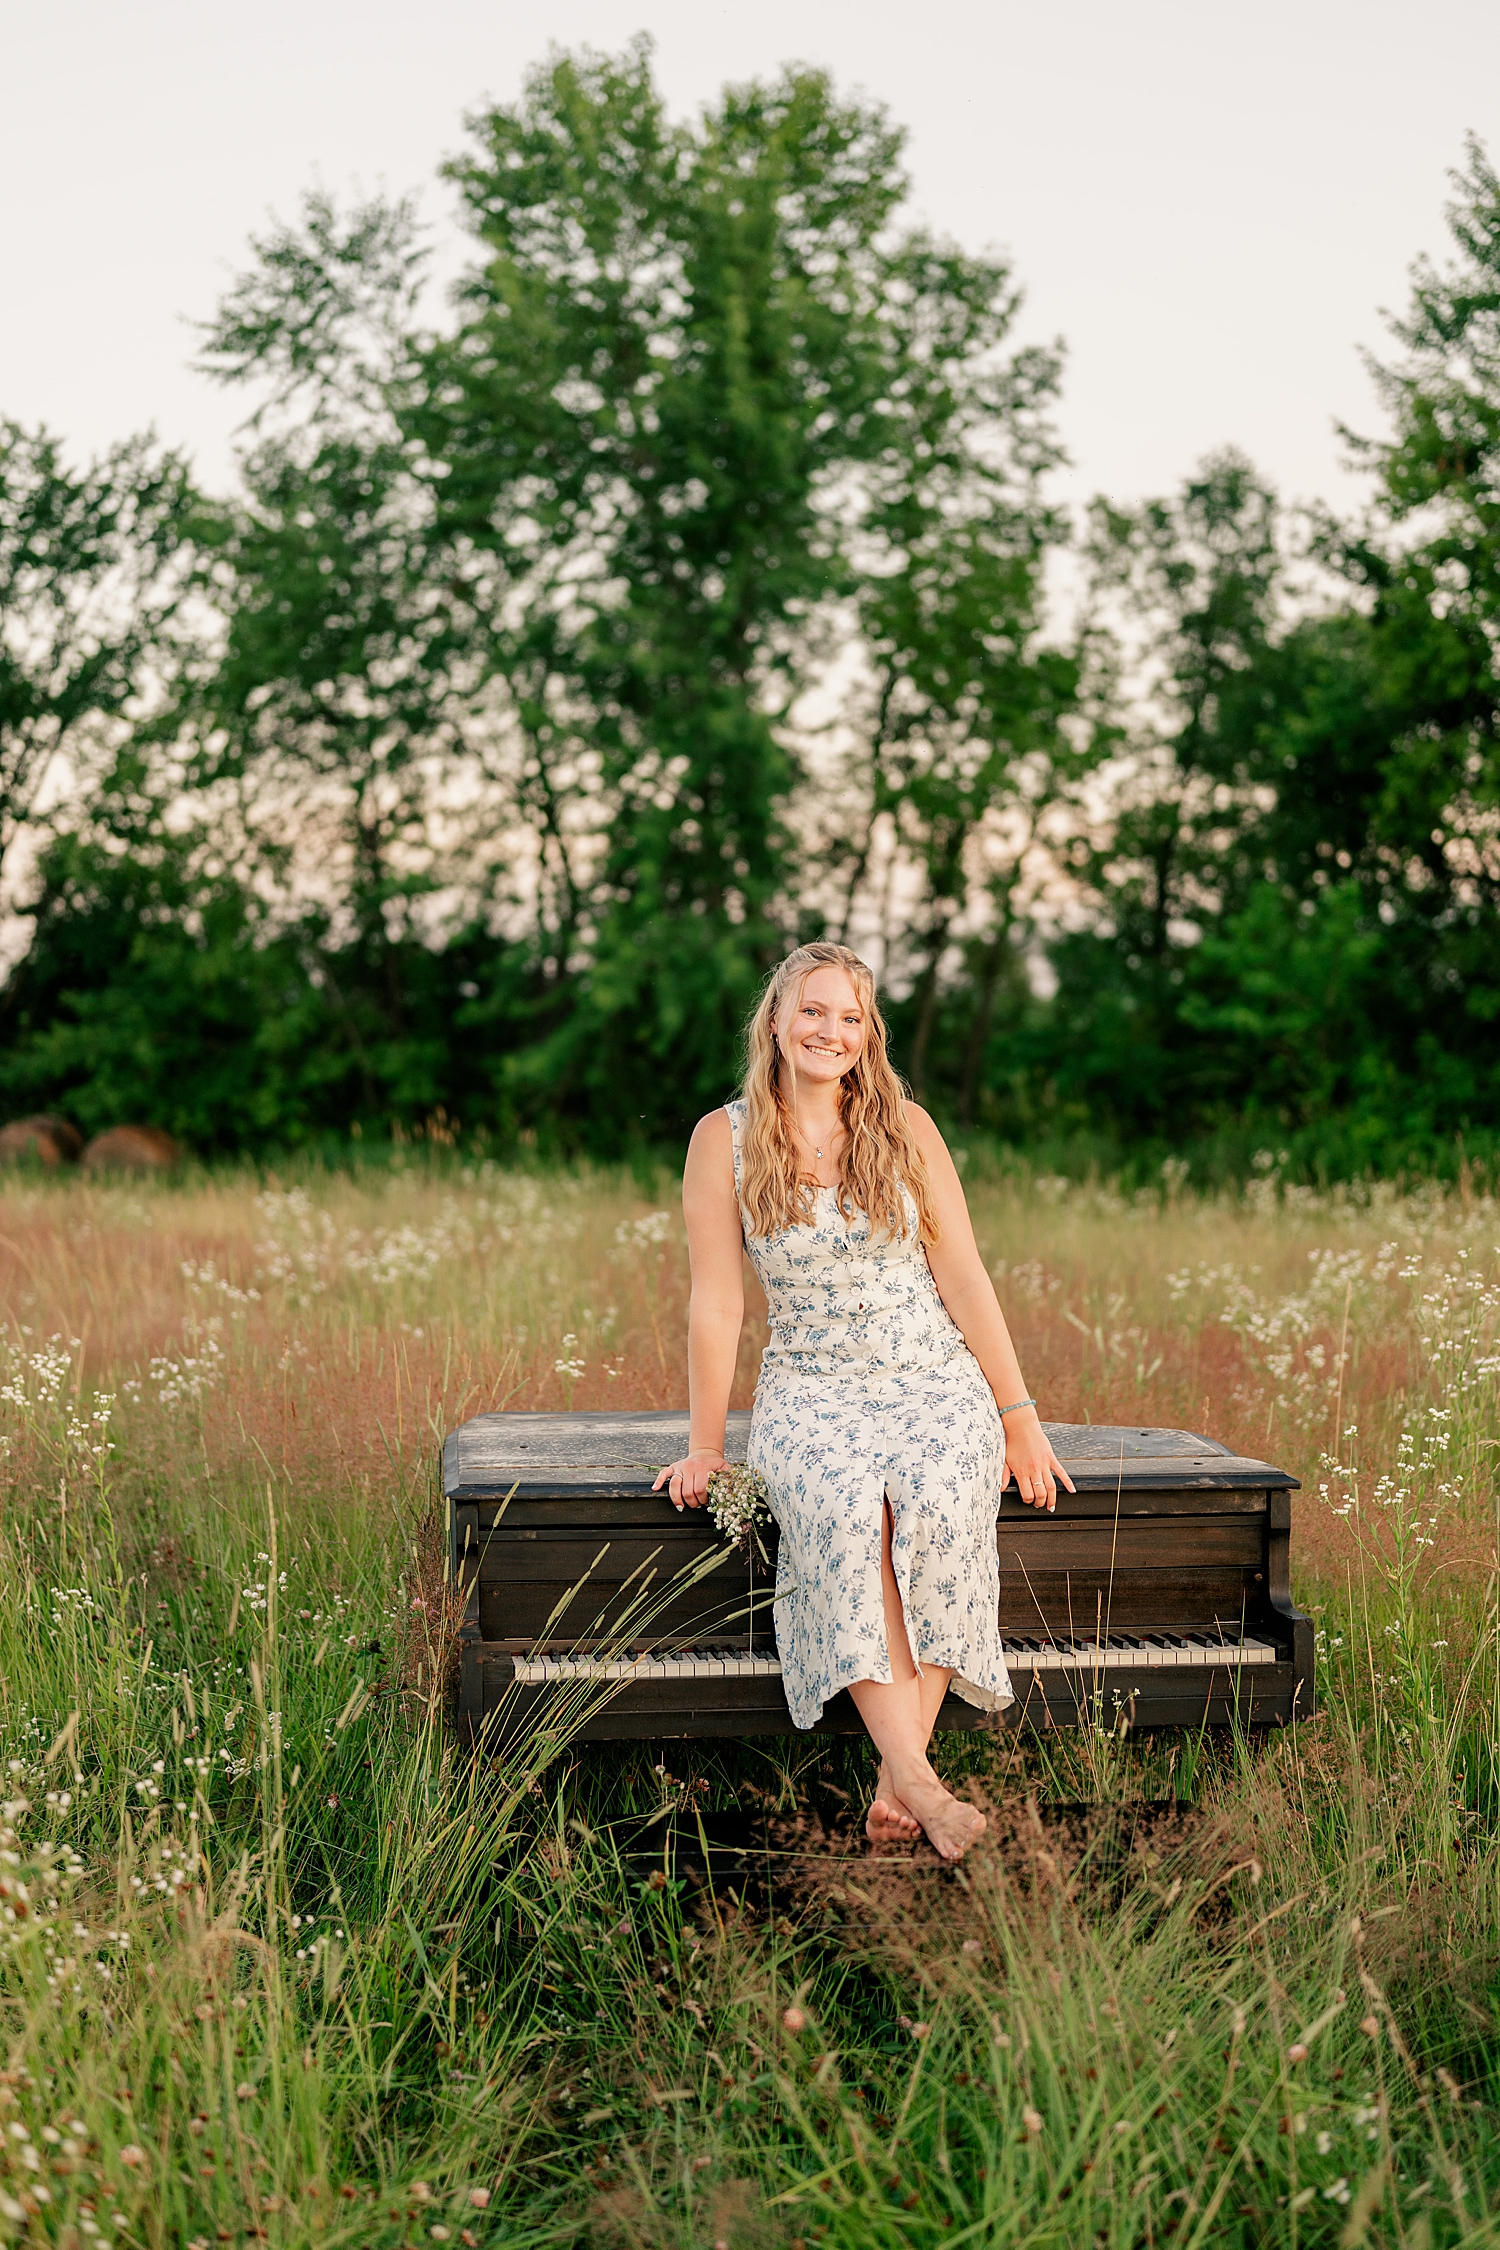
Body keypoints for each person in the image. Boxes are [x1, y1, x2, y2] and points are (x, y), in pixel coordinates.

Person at [652, 941, 1074, 1862]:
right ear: (775, 1020)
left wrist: (1019, 1415)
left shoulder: (907, 1128)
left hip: (932, 1377)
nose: (829, 1032)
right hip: (809, 1386)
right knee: (846, 1509)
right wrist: (706, 1447)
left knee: (933, 1498)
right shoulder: (720, 1139)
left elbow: (961, 1273)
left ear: (867, 1033)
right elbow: (718, 1301)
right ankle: (918, 1780)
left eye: (849, 1018)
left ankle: (900, 1777)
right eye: (812, 1011)